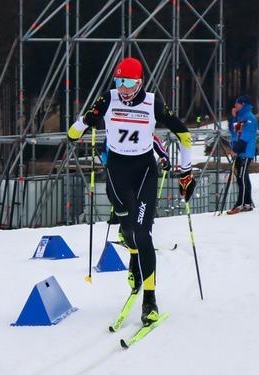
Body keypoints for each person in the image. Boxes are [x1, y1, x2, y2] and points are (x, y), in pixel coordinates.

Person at [67, 57, 194, 326]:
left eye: (128, 82)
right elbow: (72, 135)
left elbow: (184, 135)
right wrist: (85, 120)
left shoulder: (151, 103)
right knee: (126, 225)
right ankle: (134, 259)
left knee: (142, 231)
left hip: (145, 170)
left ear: (139, 82)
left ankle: (150, 300)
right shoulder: (108, 99)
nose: (123, 88)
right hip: (117, 172)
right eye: (119, 81)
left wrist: (186, 171)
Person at [226, 95, 258, 214]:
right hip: (240, 152)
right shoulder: (241, 117)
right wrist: (233, 118)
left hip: (245, 151)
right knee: (243, 177)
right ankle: (247, 203)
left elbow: (246, 136)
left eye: (237, 104)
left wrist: (236, 149)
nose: (235, 106)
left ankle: (240, 204)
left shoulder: (250, 118)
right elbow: (234, 131)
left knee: (241, 177)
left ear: (242, 104)